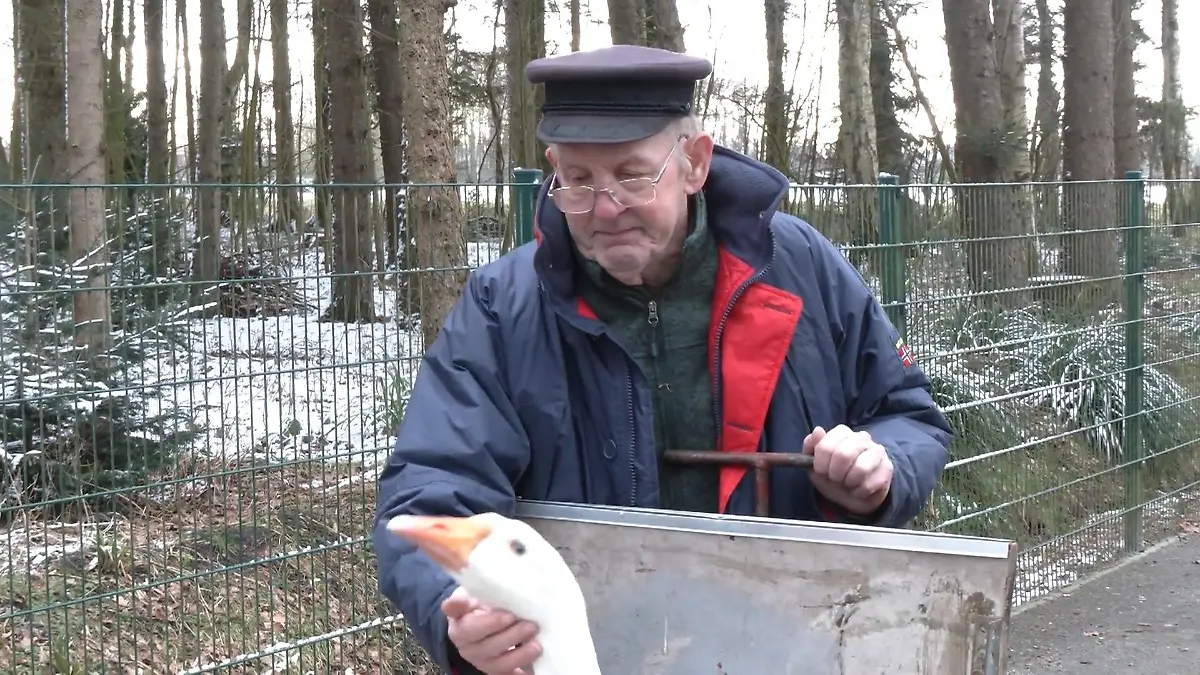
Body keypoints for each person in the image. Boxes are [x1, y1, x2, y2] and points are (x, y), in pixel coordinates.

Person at [372, 44, 953, 675]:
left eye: (632, 175)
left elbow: (906, 416)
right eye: (579, 180)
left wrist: (879, 470)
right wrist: (456, 610)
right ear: (552, 170)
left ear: (695, 163)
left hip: (792, 645)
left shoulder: (802, 270)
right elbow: (432, 492)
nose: (605, 208)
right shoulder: (503, 307)